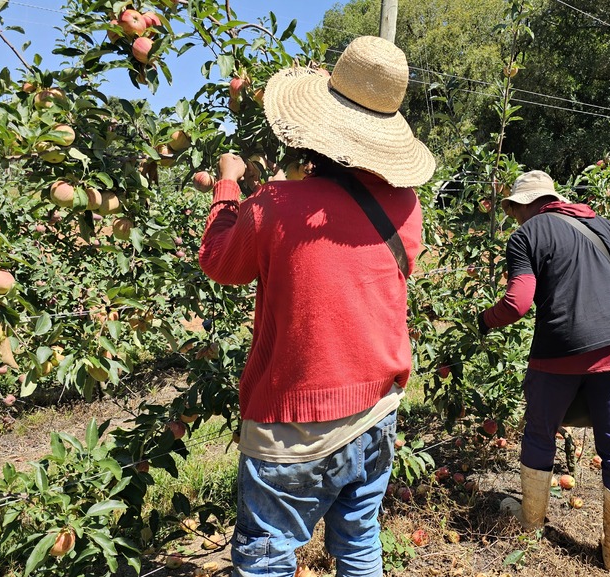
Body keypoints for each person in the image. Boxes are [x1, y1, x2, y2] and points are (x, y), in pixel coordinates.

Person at [198, 36, 435, 577]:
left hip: (294, 422)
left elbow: (219, 262)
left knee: (268, 555)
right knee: (358, 542)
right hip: (377, 409)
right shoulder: (406, 205)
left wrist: (229, 187)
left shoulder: (276, 205)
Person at [477, 170, 610, 573]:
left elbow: (517, 303)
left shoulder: (527, 236)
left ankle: (529, 526)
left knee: (541, 434)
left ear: (522, 205)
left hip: (558, 350)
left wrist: (483, 321)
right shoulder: (601, 224)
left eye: (514, 210)